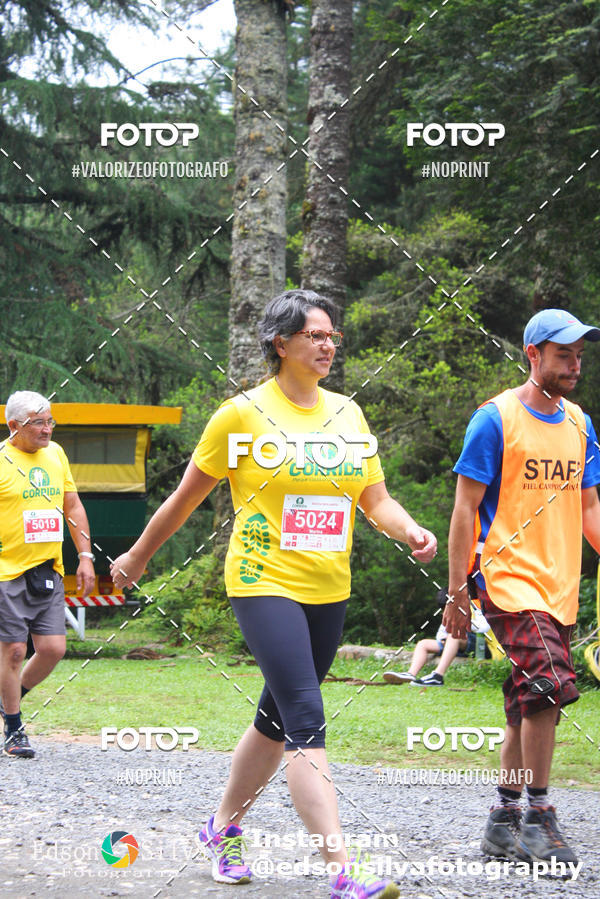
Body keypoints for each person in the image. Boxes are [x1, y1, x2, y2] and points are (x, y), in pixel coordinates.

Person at [111, 289, 437, 899]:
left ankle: (221, 828)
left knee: (274, 718)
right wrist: (137, 557)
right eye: (315, 335)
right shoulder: (240, 415)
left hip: (328, 587)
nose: (327, 345)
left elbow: (375, 499)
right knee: (307, 718)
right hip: (263, 581)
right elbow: (186, 498)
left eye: (332, 336)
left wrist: (411, 529)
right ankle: (344, 868)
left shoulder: (348, 414)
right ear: (279, 343)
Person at [444, 308, 600, 865]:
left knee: (529, 703)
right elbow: (464, 509)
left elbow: (589, 508)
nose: (575, 364)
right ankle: (539, 815)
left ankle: (503, 818)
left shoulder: (581, 424)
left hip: (560, 586)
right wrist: (457, 590)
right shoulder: (495, 418)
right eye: (564, 354)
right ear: (533, 354)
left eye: (580, 355)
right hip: (507, 581)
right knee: (552, 685)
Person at [0, 391, 95, 758]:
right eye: (38, 422)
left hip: (48, 571)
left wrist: (85, 556)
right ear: (14, 426)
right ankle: (14, 727)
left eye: (50, 421)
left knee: (53, 648)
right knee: (12, 652)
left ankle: (9, 699)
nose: (47, 429)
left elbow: (72, 505)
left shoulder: (55, 454)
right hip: (7, 572)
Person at [383, 602, 489, 687]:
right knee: (423, 644)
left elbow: (484, 627)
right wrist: (444, 638)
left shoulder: (478, 601)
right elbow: (441, 634)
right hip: (454, 643)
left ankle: (438, 676)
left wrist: (463, 622)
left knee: (453, 635)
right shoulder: (453, 606)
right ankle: (410, 674)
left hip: (482, 643)